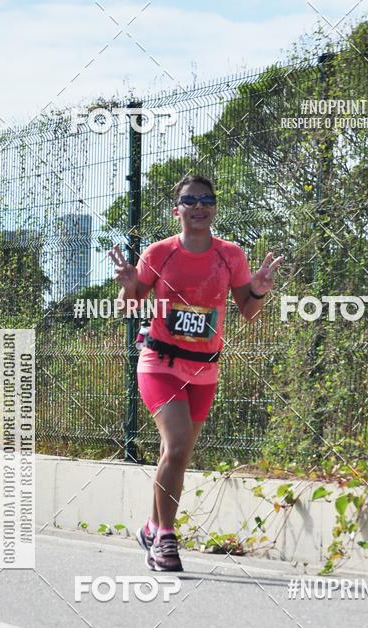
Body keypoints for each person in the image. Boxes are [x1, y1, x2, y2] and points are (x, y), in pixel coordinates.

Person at [109, 174, 281, 572]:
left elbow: (248, 312)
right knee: (179, 441)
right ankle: (165, 541)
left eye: (207, 199)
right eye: (190, 201)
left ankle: (152, 526)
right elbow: (128, 307)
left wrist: (258, 289)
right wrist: (129, 286)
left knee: (177, 454)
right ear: (177, 211)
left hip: (204, 368)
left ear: (215, 208)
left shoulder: (231, 255)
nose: (200, 206)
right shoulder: (159, 253)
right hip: (159, 363)